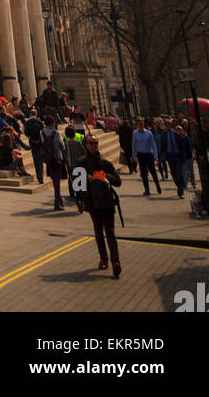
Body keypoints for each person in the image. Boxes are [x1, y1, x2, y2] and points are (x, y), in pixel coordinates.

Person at [79, 132, 122, 278]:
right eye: (91, 143)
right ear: (86, 145)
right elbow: (77, 185)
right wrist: (80, 201)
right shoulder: (82, 163)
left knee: (110, 233)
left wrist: (105, 176)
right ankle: (104, 259)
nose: (94, 146)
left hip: (106, 202)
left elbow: (118, 181)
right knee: (98, 233)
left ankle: (115, 262)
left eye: (96, 143)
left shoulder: (105, 162)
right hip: (91, 203)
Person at [132, 117, 162, 196]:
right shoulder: (135, 133)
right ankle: (147, 190)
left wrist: (155, 156)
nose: (140, 125)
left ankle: (157, 185)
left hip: (149, 154)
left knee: (153, 171)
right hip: (140, 155)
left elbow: (153, 145)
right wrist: (134, 156)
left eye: (142, 124)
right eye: (139, 124)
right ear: (137, 125)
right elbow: (134, 145)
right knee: (144, 173)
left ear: (144, 124)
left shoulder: (149, 133)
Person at [42, 115, 66, 208]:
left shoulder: (42, 132)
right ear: (53, 123)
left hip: (48, 158)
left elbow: (43, 143)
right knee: (57, 181)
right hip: (57, 158)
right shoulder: (56, 133)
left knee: (54, 179)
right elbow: (62, 145)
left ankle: (59, 198)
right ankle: (57, 202)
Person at [64, 125, 88, 213]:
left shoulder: (65, 144)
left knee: (76, 186)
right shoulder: (78, 143)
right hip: (80, 165)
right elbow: (84, 153)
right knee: (82, 185)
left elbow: (65, 156)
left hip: (71, 167)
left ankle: (78, 200)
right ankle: (83, 201)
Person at [162, 120, 186, 199]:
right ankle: (179, 185)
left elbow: (182, 147)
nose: (167, 126)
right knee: (173, 174)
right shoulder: (164, 135)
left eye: (168, 125)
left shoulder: (176, 134)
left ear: (171, 126)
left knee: (179, 173)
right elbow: (163, 147)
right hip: (170, 157)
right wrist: (162, 156)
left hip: (178, 156)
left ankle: (180, 191)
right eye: (166, 125)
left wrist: (183, 158)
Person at [24, 109, 45, 185]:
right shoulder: (39, 122)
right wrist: (39, 140)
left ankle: (38, 176)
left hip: (32, 143)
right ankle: (41, 178)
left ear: (30, 114)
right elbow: (43, 132)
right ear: (36, 114)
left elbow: (26, 133)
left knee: (35, 160)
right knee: (40, 161)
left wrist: (32, 139)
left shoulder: (27, 123)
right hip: (40, 143)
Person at [179, 120, 197, 189]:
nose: (179, 132)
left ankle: (193, 183)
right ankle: (185, 184)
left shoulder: (187, 138)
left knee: (191, 171)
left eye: (180, 130)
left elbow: (192, 146)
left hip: (189, 156)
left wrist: (194, 154)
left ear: (183, 131)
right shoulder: (178, 139)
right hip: (183, 158)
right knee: (183, 172)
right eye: (178, 131)